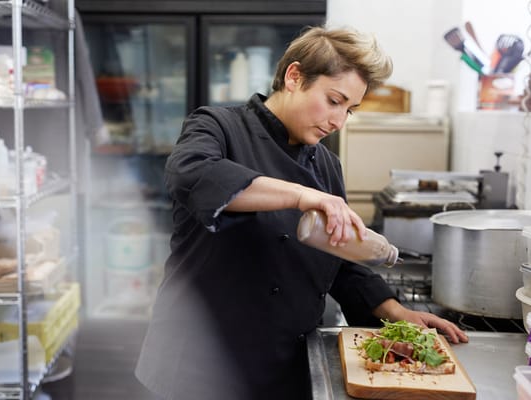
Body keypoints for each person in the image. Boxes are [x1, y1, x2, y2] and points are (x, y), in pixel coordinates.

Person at [135, 25, 469, 400]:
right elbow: (191, 173)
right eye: (333, 100)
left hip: (287, 364)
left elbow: (342, 258)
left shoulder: (326, 165)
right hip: (201, 364)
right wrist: (301, 196)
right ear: (294, 77)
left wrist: (397, 312)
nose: (338, 121)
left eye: (350, 109)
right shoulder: (218, 126)